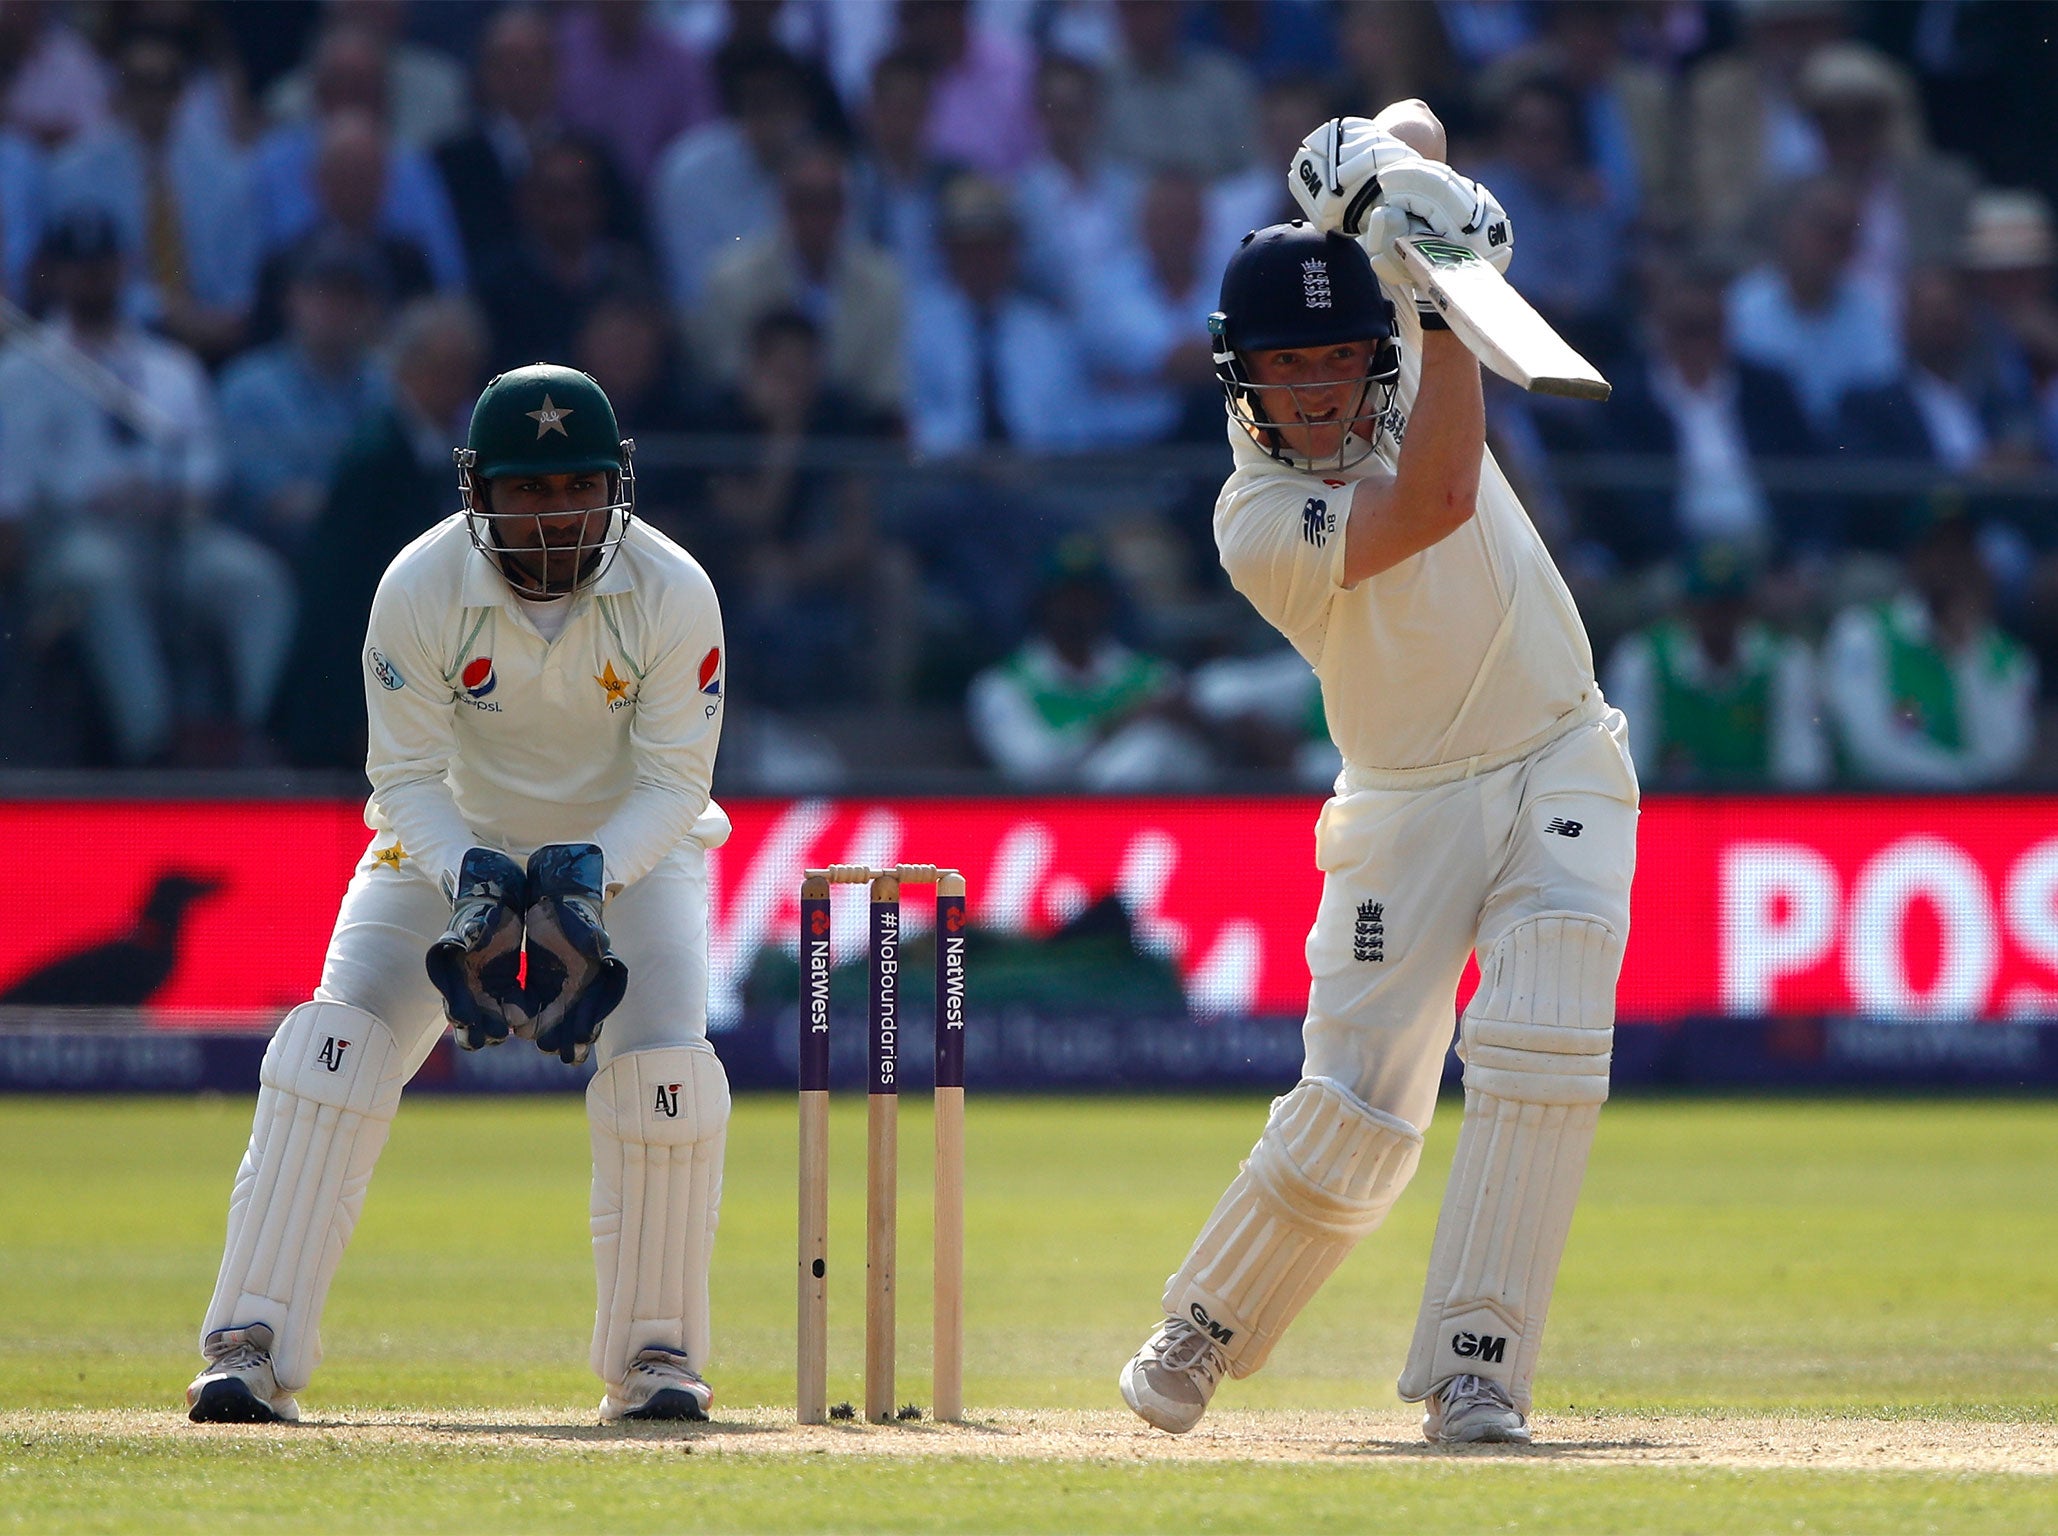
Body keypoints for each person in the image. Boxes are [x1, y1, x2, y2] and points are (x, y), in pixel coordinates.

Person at [1117, 103, 1637, 1448]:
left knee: (1542, 1041)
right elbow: (1441, 501)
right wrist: (1444, 305)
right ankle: (1205, 1325)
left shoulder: (1395, 342)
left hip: (1559, 746)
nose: (1317, 391)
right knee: (1356, 1112)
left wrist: (1403, 184)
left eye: (1339, 359)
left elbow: (1409, 117)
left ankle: (1476, 1371)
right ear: (1239, 377)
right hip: (1402, 804)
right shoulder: (1253, 518)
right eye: (1285, 369)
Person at [187, 363, 733, 1426]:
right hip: (445, 850)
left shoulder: (675, 589)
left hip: (631, 849)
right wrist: (475, 879)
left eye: (577, 486)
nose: (557, 513)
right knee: (331, 1052)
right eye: (530, 490)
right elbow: (402, 781)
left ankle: (657, 1357)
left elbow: (677, 783)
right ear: (478, 491)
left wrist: (587, 875)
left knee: (665, 1071)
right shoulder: (420, 585)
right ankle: (248, 1342)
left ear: (616, 484)